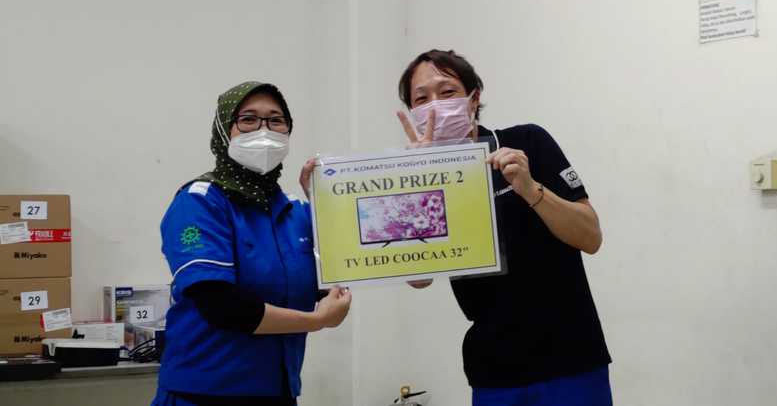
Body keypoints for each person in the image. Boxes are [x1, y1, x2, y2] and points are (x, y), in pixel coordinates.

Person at [396, 50, 612, 406]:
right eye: (421, 99)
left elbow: (591, 237)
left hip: (571, 358)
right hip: (494, 370)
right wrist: (418, 187)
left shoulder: (528, 143)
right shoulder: (422, 179)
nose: (435, 106)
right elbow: (418, 279)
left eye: (447, 92)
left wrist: (530, 189)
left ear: (474, 98)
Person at [151, 81, 352, 406]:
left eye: (276, 120)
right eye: (248, 119)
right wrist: (318, 321)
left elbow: (336, 279)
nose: (264, 130)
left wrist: (324, 207)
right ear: (223, 130)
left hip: (277, 392)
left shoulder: (295, 211)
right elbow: (221, 305)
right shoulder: (199, 202)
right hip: (204, 394)